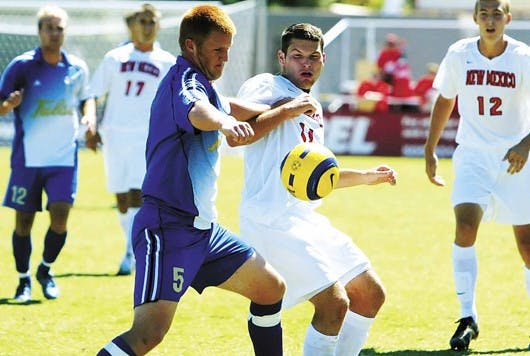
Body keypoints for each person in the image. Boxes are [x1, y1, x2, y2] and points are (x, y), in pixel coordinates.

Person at [97, 5, 286, 355]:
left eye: (227, 50)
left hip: (204, 231)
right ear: (190, 46)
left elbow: (226, 104)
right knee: (147, 334)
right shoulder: (184, 80)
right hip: (167, 228)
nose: (225, 58)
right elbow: (200, 110)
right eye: (217, 50)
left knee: (270, 287)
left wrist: (283, 109)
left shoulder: (203, 83)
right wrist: (225, 124)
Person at [229, 23, 397, 356]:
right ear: (281, 58)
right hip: (270, 218)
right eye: (297, 56)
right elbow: (237, 126)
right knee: (334, 304)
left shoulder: (314, 106)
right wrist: (287, 109)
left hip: (305, 218)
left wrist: (365, 176)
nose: (305, 63)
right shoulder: (267, 84)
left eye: (313, 57)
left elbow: (316, 175)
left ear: (323, 60)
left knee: (370, 294)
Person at [424, 0, 530, 351]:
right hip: (472, 155)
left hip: (516, 158)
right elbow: (445, 100)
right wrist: (430, 149)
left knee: (527, 245)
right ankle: (467, 316)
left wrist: (527, 143)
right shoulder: (458, 54)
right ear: (474, 18)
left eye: (496, 13)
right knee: (466, 225)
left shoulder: (523, 57)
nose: (490, 20)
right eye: (483, 14)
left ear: (508, 19)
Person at [0, 5, 95, 302]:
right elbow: (1, 103)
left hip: (64, 159)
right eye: (49, 28)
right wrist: (8, 105)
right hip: (27, 160)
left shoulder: (77, 68)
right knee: (24, 223)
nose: (55, 33)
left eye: (60, 28)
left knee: (60, 220)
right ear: (40, 31)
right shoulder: (21, 66)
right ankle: (23, 280)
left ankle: (46, 269)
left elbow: (86, 98)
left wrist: (90, 118)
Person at [88, 3, 176, 276]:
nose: (147, 27)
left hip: (147, 137)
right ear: (133, 25)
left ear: (159, 26)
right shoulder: (115, 57)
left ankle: (132, 252)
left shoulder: (167, 61)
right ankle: (132, 246)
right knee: (121, 196)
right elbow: (93, 93)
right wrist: (90, 122)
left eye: (152, 22)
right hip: (114, 136)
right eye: (143, 22)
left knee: (140, 194)